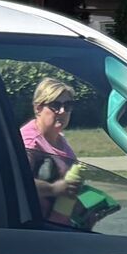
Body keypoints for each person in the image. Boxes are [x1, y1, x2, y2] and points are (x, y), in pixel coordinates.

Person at [19, 75, 85, 225]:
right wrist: (53, 189)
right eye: (55, 105)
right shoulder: (30, 141)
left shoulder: (60, 138)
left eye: (68, 106)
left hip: (63, 225)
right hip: (40, 228)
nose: (62, 111)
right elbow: (20, 183)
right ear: (38, 108)